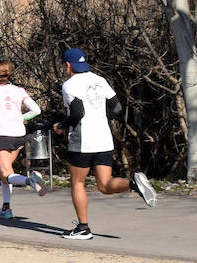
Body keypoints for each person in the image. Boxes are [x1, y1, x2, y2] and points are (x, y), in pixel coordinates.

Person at [53, 48, 157, 240]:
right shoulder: (99, 80)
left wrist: (61, 125)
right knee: (105, 185)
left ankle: (83, 228)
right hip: (104, 138)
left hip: (82, 141)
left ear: (68, 65)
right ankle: (133, 183)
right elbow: (116, 107)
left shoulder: (69, 85)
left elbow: (77, 113)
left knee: (77, 183)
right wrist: (101, 118)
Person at [0, 60, 47, 219]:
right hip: (19, 135)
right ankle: (6, 207)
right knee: (4, 174)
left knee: (5, 173)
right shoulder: (18, 90)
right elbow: (36, 110)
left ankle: (30, 181)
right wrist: (20, 117)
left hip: (2, 135)